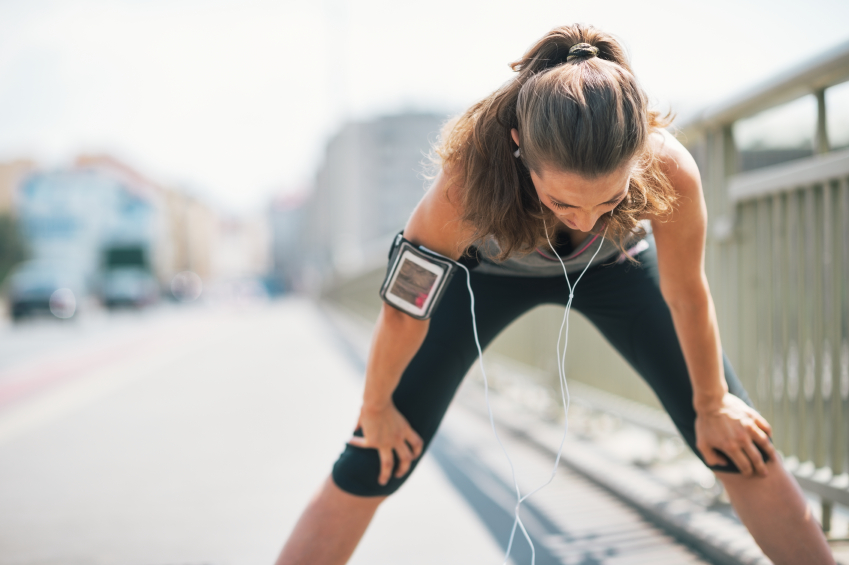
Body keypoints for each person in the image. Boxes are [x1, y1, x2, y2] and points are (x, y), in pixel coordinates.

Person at [276, 24, 834, 565]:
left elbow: (686, 293)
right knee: (375, 454)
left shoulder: (670, 167)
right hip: (483, 278)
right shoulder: (464, 184)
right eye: (565, 203)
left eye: (609, 200)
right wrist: (374, 409)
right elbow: (403, 310)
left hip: (614, 270)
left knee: (739, 444)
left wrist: (712, 405)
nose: (587, 217)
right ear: (519, 147)